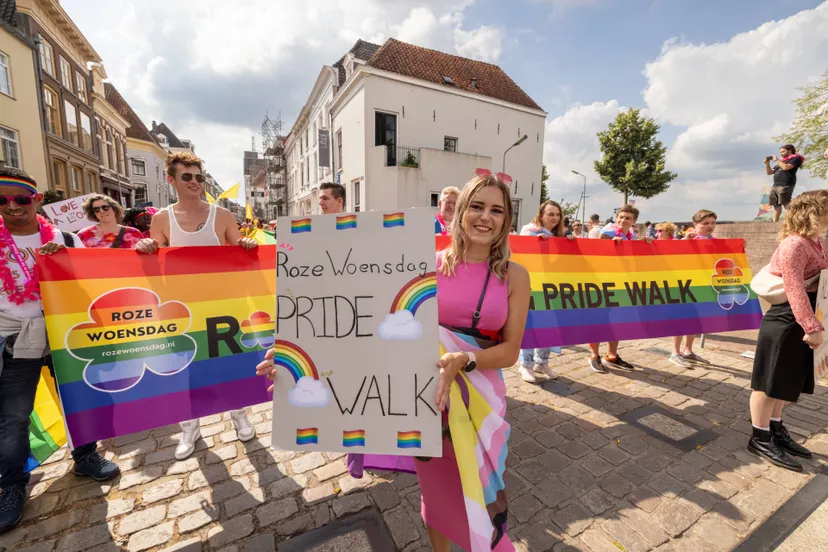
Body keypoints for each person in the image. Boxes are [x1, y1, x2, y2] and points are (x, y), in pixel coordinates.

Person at [261, 171, 529, 551]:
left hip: (480, 404)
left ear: (506, 220)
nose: (485, 217)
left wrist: (465, 359)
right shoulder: (426, 264)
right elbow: (369, 324)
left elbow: (510, 351)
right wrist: (297, 353)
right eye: (477, 206)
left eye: (497, 210)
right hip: (424, 400)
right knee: (437, 493)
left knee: (482, 492)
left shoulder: (514, 276)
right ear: (461, 212)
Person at [0, 168, 120, 533]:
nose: (13, 207)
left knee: (78, 400)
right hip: (15, 339)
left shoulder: (68, 238)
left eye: (21, 199)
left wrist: (66, 259)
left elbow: (91, 288)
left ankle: (86, 456)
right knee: (13, 416)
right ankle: (11, 485)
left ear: (36, 200)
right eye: (2, 200)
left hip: (64, 334)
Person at [135, 152, 258, 460]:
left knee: (228, 364)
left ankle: (239, 413)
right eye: (187, 177)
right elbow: (155, 267)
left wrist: (247, 246)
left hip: (223, 306)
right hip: (182, 309)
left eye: (198, 177)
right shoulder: (162, 219)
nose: (194, 183)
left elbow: (240, 257)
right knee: (186, 370)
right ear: (172, 180)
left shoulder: (222, 216)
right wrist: (147, 248)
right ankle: (190, 425)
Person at [749, 190, 828, 472]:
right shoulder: (794, 244)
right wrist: (812, 326)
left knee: (784, 380)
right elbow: (794, 287)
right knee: (768, 381)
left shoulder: (817, 241)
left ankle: (776, 429)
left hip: (803, 315)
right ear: (814, 212)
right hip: (786, 319)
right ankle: (759, 437)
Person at [517, 200, 575, 382]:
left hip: (552, 287)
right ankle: (525, 364)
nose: (554, 218)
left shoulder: (558, 236)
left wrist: (569, 242)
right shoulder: (529, 231)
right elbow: (521, 251)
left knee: (549, 325)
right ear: (541, 215)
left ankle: (541, 362)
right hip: (532, 285)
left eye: (557, 215)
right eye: (550, 214)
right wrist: (536, 243)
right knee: (531, 325)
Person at [588, 205, 650, 373]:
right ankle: (594, 355)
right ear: (616, 218)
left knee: (617, 321)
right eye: (621, 217)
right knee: (600, 320)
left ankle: (612, 355)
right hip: (603, 284)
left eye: (628, 218)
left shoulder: (630, 236)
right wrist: (610, 246)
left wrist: (645, 244)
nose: (623, 220)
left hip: (622, 284)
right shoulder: (607, 233)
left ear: (634, 222)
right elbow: (596, 253)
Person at [669, 210, 717, 368]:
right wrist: (684, 240)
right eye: (705, 223)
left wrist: (739, 247)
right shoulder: (688, 239)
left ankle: (688, 350)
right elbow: (672, 254)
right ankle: (675, 352)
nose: (710, 226)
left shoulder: (716, 242)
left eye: (712, 223)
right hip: (685, 285)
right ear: (695, 225)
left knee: (697, 319)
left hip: (704, 285)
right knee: (681, 318)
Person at [77, 195, 144, 249]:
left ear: (114, 209)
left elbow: (144, 258)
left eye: (105, 207)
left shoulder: (134, 233)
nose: (101, 211)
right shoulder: (83, 235)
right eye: (96, 209)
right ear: (93, 213)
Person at [765, 144, 805, 223]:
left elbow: (786, 167)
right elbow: (769, 172)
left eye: (783, 151)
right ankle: (775, 223)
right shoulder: (782, 161)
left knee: (786, 204)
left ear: (790, 150)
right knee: (776, 206)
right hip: (775, 185)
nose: (781, 154)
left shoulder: (796, 158)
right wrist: (767, 163)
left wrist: (776, 160)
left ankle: (794, 222)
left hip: (785, 184)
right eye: (780, 152)